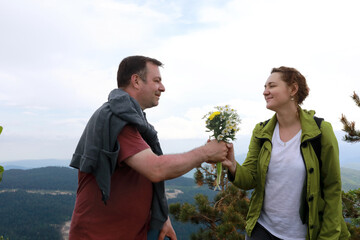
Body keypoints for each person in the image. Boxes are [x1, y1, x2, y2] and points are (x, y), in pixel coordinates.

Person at [68, 55, 228, 240]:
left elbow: (141, 178)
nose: (162, 87)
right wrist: (206, 152)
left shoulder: (132, 120)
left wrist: (160, 216)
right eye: (157, 80)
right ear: (136, 80)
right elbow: (156, 169)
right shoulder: (116, 119)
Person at [222, 66, 350, 239]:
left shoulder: (320, 131)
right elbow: (251, 178)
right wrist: (233, 165)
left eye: (272, 86)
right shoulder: (261, 131)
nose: (265, 92)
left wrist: (327, 237)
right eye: (265, 87)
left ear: (293, 89)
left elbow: (332, 189)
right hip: (262, 230)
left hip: (303, 234)